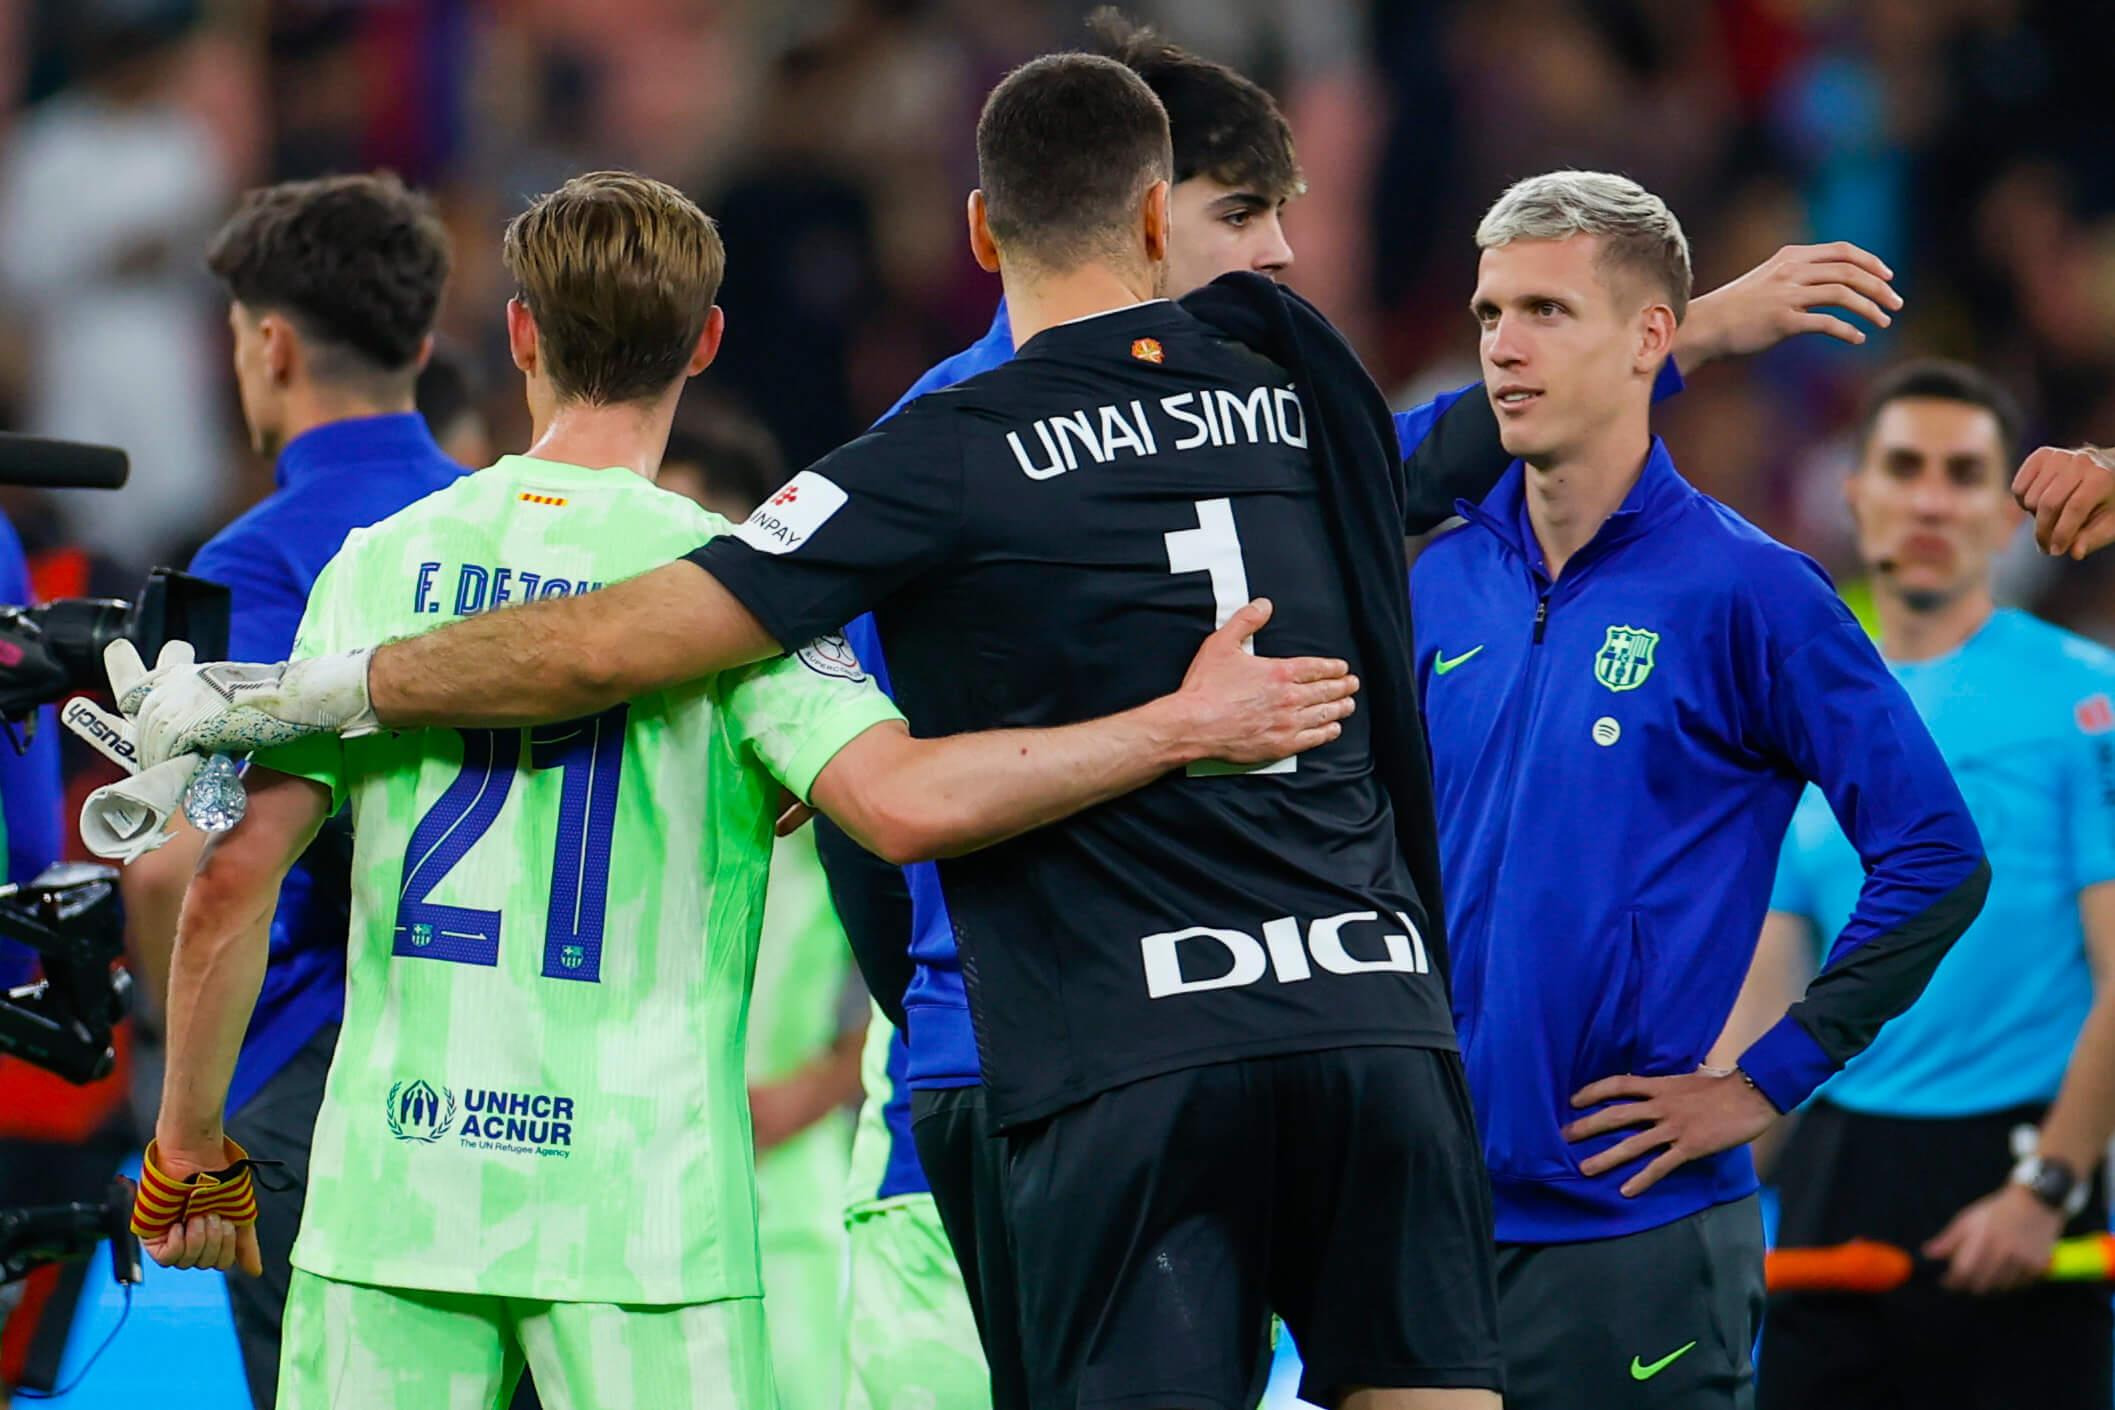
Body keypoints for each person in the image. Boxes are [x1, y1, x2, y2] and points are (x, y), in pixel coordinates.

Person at [118, 56, 1518, 1409]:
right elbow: (897, 797)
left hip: (400, 1195)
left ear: (522, 335)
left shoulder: (380, 566)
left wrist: (187, 1141)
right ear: (708, 342)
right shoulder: (1293, 373)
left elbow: (233, 871)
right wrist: (1172, 722)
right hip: (652, 1211)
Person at [838, 14, 1905, 1405]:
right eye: (1244, 215)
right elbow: (867, 815)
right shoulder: (937, 458)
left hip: (1239, 1042)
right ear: (1139, 219)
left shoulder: (1231, 419)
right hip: (1039, 1076)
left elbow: (1415, 457)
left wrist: (1674, 332)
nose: (1279, 253)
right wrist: (948, 1013)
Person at [1409, 172, 1989, 1410]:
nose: (1504, 347)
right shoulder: (1432, 587)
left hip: (1635, 1241)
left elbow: (1936, 854)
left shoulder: (1753, 594)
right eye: (1488, 312)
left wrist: (1764, 1078)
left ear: (1653, 341)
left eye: (1549, 312)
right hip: (1422, 1228)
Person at [103, 171, 462, 1410]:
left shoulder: (252, 560)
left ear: (269, 344)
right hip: (500, 1058)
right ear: (422, 343)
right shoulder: (494, 532)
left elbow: (181, 863)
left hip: (315, 1076)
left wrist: (187, 1111)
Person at [1732, 361, 2115, 1410]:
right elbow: (1771, 988)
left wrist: (2049, 1187)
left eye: (1965, 473)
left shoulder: (2090, 700)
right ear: (1853, 494)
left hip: (2021, 1178)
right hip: (1834, 1176)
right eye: (1904, 467)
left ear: (2006, 511)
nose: (1933, 497)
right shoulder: (1794, 708)